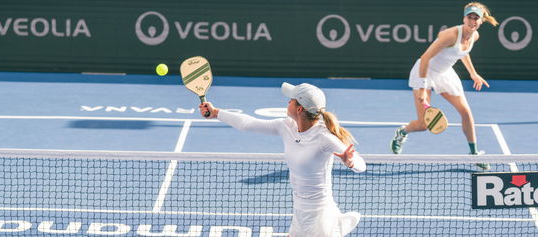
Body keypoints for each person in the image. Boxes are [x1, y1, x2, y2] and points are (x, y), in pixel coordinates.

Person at [199, 82, 366, 237]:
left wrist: (350, 162)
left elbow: (361, 165)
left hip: (320, 213)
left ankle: (335, 225)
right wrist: (216, 113)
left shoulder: (324, 137)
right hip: (300, 208)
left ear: (299, 109)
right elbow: (248, 124)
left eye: (291, 100)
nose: (288, 103)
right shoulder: (286, 126)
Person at [391, 2, 499, 169]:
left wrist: (473, 73)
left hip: (445, 74)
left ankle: (474, 153)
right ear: (464, 18)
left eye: (475, 18)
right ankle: (402, 132)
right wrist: (422, 87)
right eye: (469, 17)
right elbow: (425, 58)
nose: (472, 21)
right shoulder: (450, 35)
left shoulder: (474, 36)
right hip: (424, 72)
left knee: (466, 112)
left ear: (481, 21)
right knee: (424, 125)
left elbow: (464, 53)